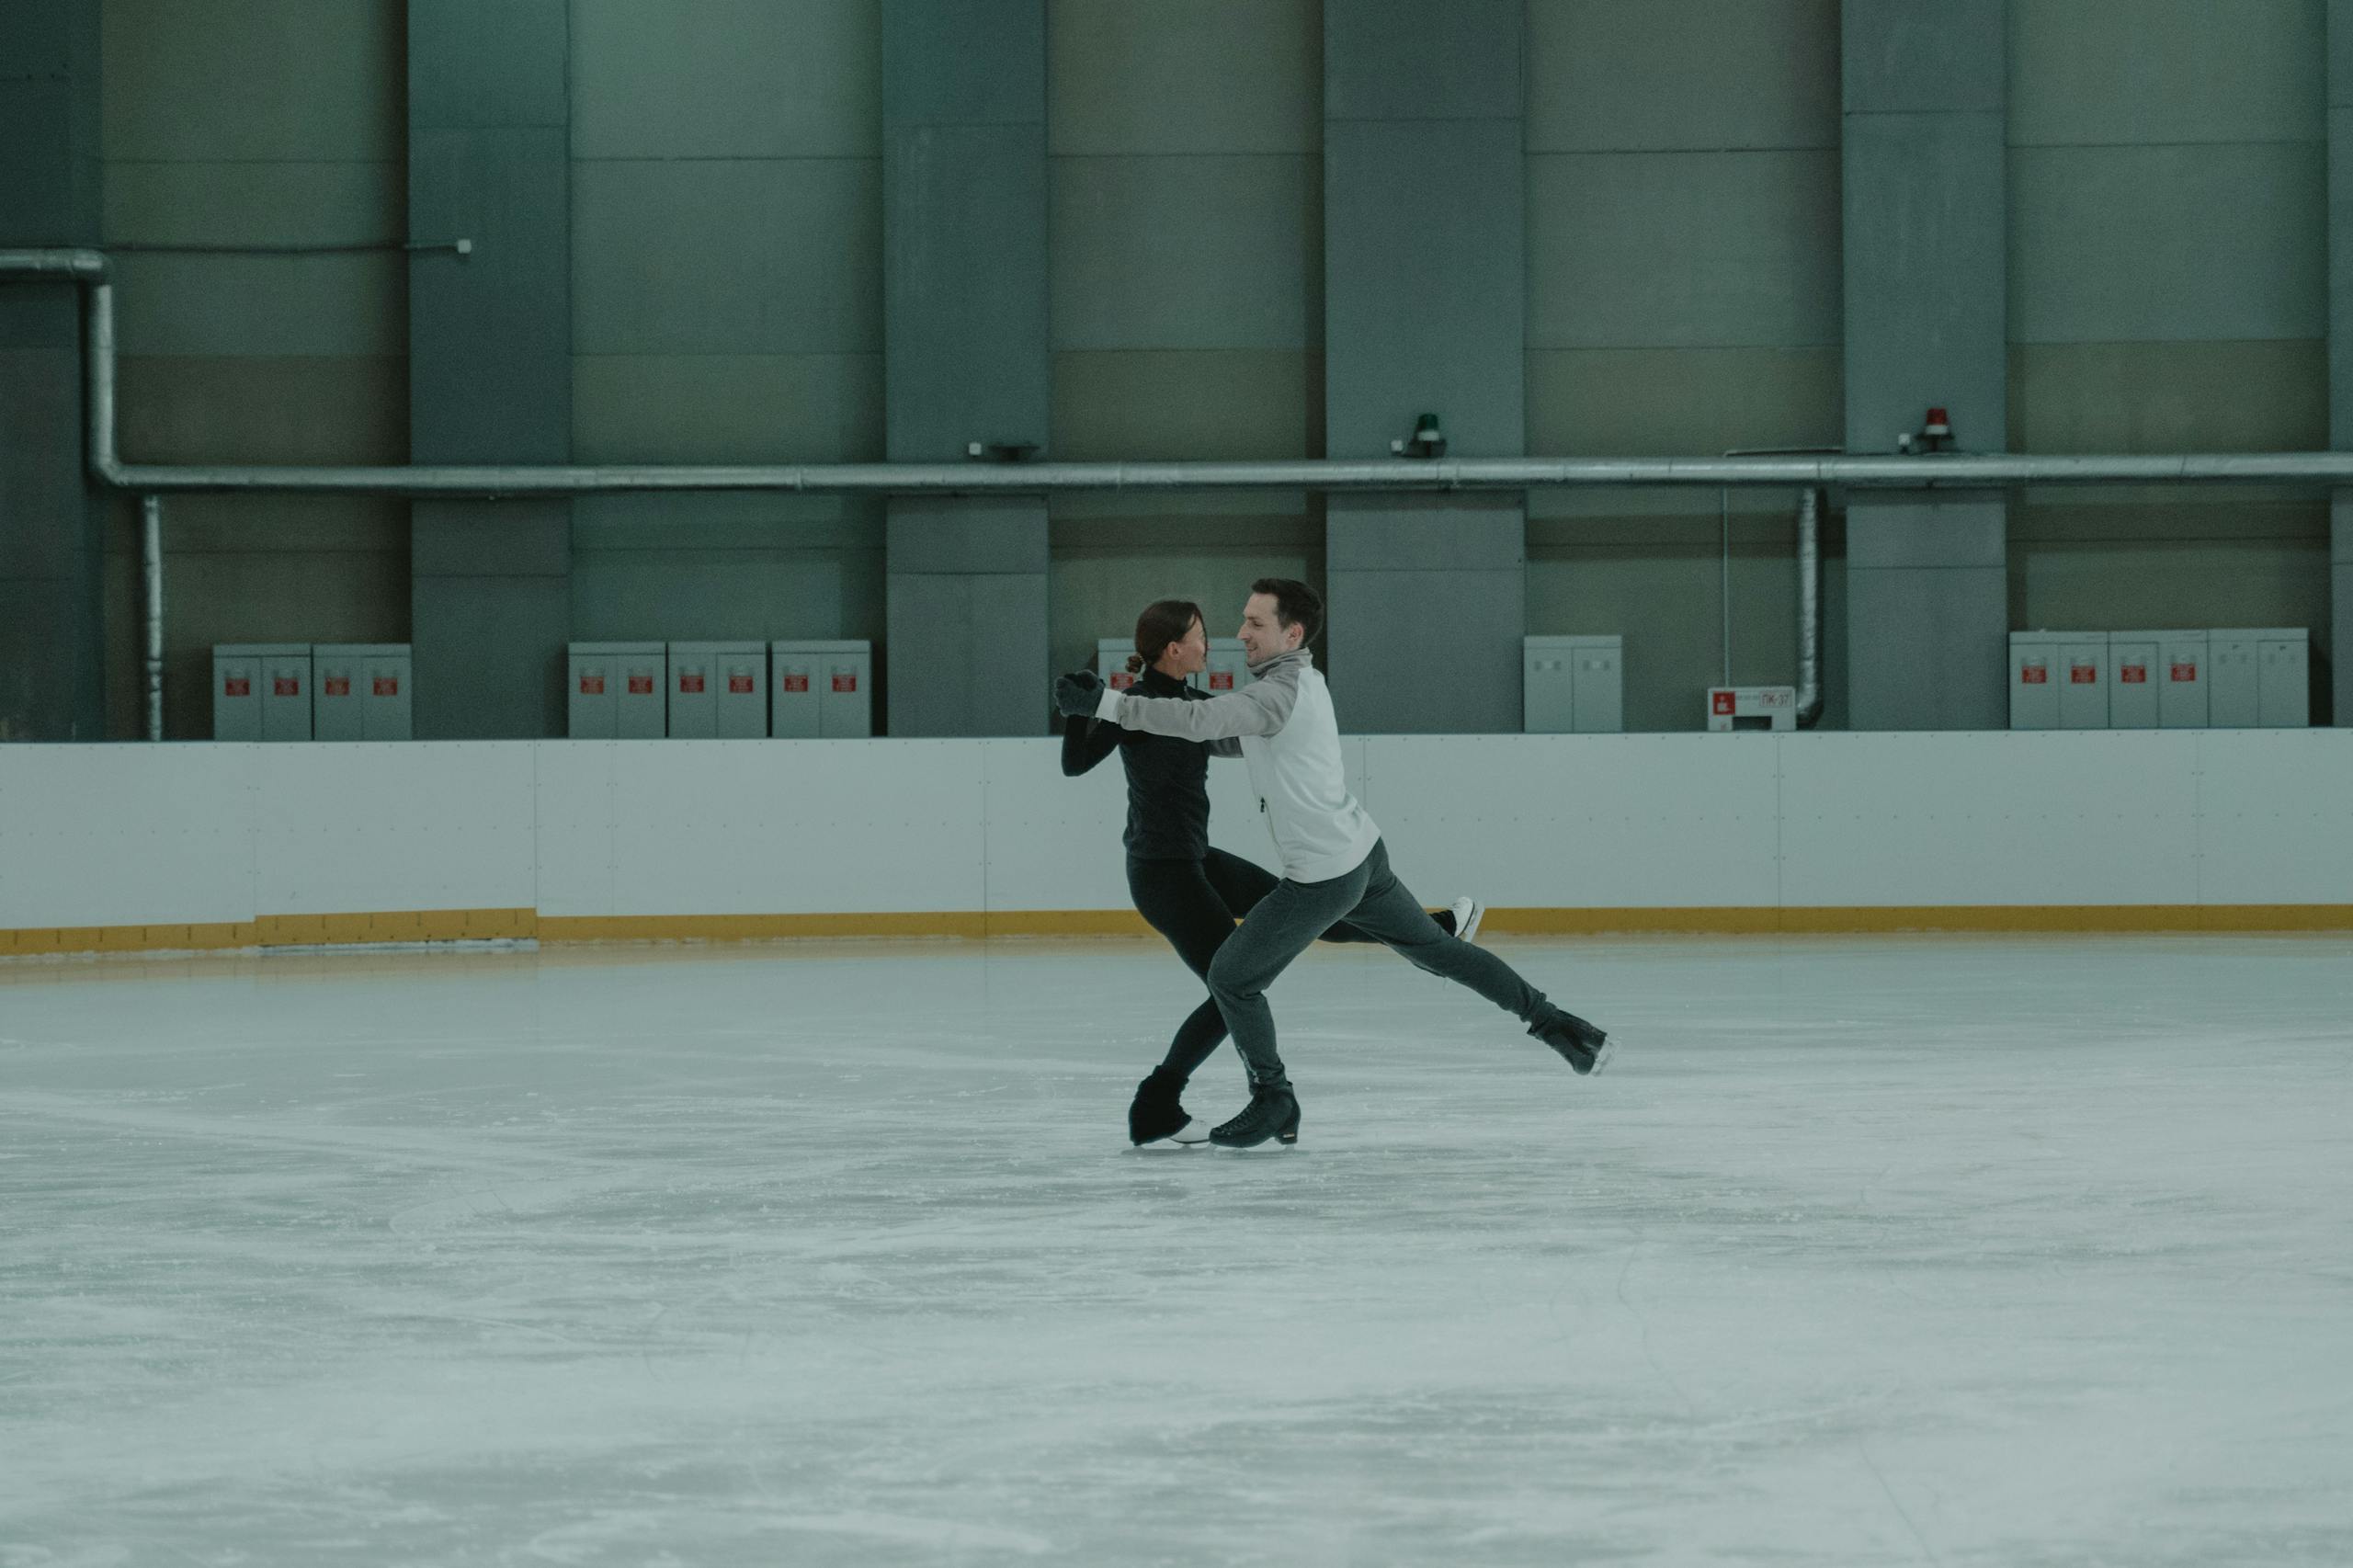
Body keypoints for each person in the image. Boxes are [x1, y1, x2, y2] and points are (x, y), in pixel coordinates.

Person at [1055, 578, 1615, 1149]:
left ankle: (1273, 1097)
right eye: (1243, 620)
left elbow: (1203, 724)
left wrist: (1105, 704)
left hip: (1323, 876)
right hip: (1363, 854)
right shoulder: (1302, 682)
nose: (1241, 633)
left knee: (1232, 979)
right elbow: (1223, 733)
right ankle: (1560, 1025)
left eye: (1255, 624)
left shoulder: (1274, 695)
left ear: (1291, 633)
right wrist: (1132, 712)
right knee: (1440, 952)